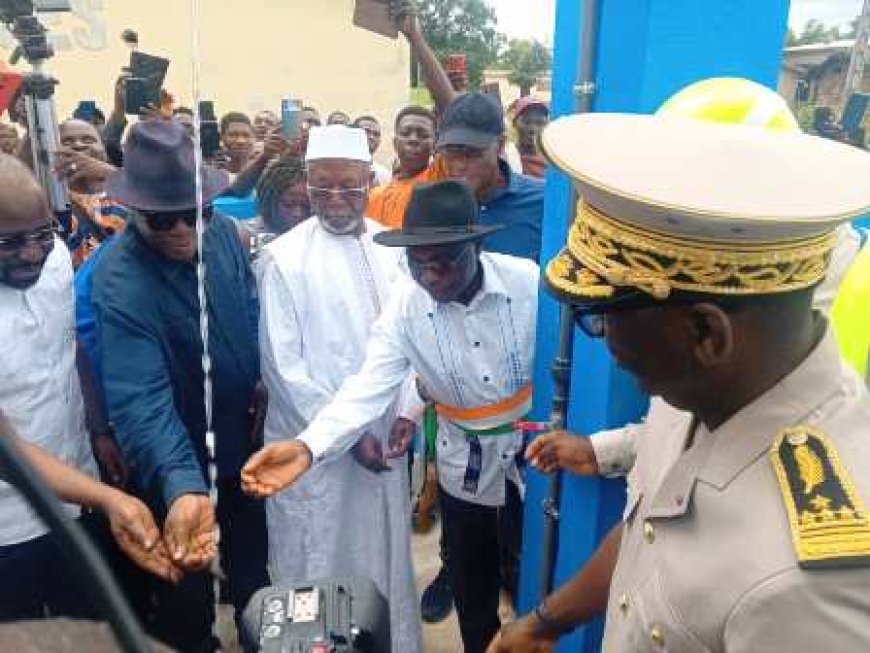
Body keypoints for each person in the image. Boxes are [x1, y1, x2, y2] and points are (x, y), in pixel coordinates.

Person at [488, 113, 870, 652]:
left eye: (602, 318)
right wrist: (545, 621)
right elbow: (653, 528)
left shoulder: (808, 581)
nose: (606, 344)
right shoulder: (706, 387)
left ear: (707, 334)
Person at [242, 179, 540, 653]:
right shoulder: (406, 307)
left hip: (534, 455)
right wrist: (308, 446)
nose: (432, 276)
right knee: (471, 582)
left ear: (477, 247)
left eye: (446, 261)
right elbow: (366, 385)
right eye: (418, 264)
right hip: (463, 457)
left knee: (534, 574)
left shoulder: (527, 283)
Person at [91, 120, 268, 651]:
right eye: (166, 221)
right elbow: (141, 399)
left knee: (254, 579)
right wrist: (182, 485)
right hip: (175, 468)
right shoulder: (117, 279)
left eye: (196, 213)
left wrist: (256, 375)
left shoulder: (224, 236)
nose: (185, 233)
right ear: (135, 212)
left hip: (242, 451)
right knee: (186, 602)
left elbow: (247, 304)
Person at [255, 124, 421, 653]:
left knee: (385, 559)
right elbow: (285, 372)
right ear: (306, 182)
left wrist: (409, 412)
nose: (335, 200)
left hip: (385, 444)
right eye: (322, 188)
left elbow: (417, 336)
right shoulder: (284, 258)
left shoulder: (392, 248)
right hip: (317, 451)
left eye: (349, 188)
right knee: (318, 560)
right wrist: (348, 438)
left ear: (369, 181)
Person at [0, 154, 177, 621]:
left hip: (78, 489)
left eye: (41, 234)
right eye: (9, 242)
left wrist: (99, 429)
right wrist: (109, 498)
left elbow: (68, 343)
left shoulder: (57, 259)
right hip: (9, 527)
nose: (32, 252)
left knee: (89, 625)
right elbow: (7, 449)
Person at [437, 92, 545, 261]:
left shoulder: (543, 202)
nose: (459, 165)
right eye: (450, 152)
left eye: (471, 153)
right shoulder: (435, 206)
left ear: (500, 145)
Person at [54, 119, 126, 267]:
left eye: (88, 139)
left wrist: (111, 173)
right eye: (67, 141)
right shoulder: (50, 200)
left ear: (103, 150)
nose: (78, 145)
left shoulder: (130, 191)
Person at [366, 105, 442, 229]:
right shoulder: (375, 196)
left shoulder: (439, 179)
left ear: (435, 144)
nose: (413, 140)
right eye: (406, 133)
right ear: (395, 143)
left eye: (423, 135)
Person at [255, 153, 311, 235]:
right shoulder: (248, 237)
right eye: (288, 205)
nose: (298, 213)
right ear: (268, 202)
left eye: (307, 206)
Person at [509, 96, 549, 179]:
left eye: (540, 123)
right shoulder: (508, 158)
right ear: (514, 124)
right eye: (526, 122)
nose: (533, 129)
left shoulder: (554, 162)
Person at [353, 115, 392, 186]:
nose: (371, 137)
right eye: (366, 131)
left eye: (376, 134)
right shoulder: (338, 169)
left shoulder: (385, 174)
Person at [220, 111, 256, 175]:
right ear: (222, 137)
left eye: (246, 135)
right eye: (233, 135)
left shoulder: (264, 171)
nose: (241, 141)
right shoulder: (210, 173)